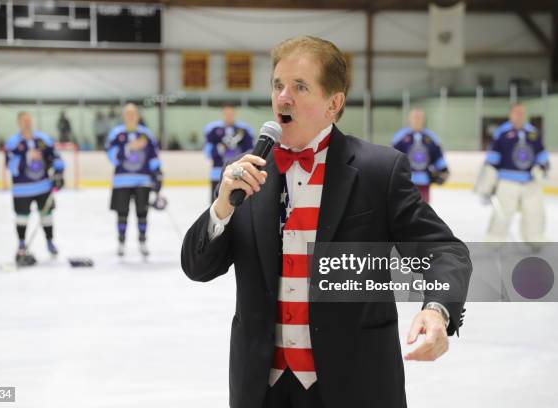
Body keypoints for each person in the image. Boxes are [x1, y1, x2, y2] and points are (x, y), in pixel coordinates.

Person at [181, 36, 471, 408]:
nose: (283, 97)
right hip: (261, 388)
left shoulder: (377, 172)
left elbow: (445, 251)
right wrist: (223, 205)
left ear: (334, 103)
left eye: (300, 87)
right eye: (277, 85)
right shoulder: (248, 172)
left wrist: (437, 309)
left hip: (355, 384)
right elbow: (198, 267)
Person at [477, 103, 549, 243]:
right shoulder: (502, 133)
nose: (519, 115)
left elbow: (542, 156)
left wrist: (541, 167)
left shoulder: (533, 133)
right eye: (516, 112)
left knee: (534, 213)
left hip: (530, 182)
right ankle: (494, 240)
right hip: (507, 182)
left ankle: (535, 239)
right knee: (502, 214)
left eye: (522, 112)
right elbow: (492, 161)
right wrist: (487, 186)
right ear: (511, 114)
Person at [5, 112, 65, 266]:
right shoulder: (13, 142)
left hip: (43, 186)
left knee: (47, 215)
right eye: (24, 121)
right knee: (22, 217)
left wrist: (59, 172)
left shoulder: (43, 139)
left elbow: (55, 156)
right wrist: (26, 157)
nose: (27, 123)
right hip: (22, 189)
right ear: (19, 123)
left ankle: (50, 242)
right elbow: (10, 166)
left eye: (29, 120)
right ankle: (21, 243)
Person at [106, 103, 162, 257]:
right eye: (128, 114)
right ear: (124, 116)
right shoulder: (116, 134)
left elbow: (153, 156)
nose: (131, 117)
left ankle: (142, 242)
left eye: (133, 114)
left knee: (142, 213)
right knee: (122, 213)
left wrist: (157, 172)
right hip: (121, 181)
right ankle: (121, 242)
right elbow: (112, 156)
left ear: (138, 116)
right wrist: (129, 147)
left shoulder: (146, 134)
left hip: (143, 180)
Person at [392, 108, 449, 203]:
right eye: (414, 117)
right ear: (409, 119)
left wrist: (443, 170)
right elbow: (392, 156)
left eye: (419, 117)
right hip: (405, 180)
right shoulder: (400, 137)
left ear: (423, 119)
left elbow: (438, 156)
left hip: (424, 180)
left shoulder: (431, 137)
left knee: (423, 208)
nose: (417, 119)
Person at [203, 105, 254, 203]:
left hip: (238, 172)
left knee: (237, 203)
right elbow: (208, 152)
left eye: (231, 114)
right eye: (226, 114)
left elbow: (250, 152)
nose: (229, 116)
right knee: (215, 202)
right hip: (217, 172)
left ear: (235, 114)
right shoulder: (213, 129)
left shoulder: (244, 130)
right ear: (222, 114)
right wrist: (221, 148)